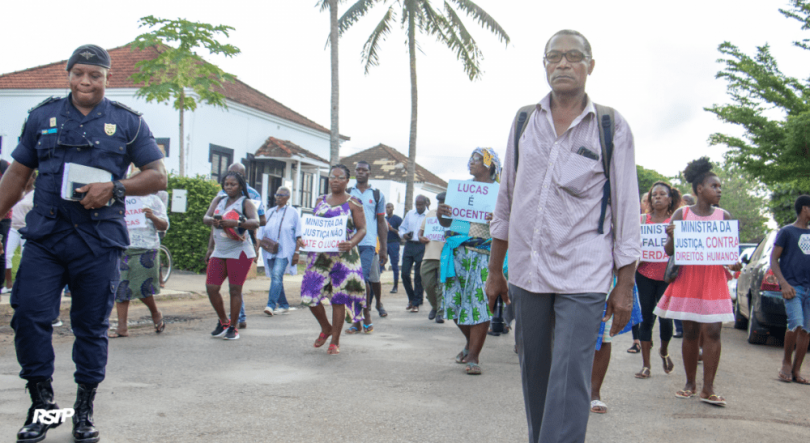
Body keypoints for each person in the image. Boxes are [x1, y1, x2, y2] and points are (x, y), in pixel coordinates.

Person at [3, 44, 167, 443]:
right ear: (68, 75)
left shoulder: (128, 123)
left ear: (108, 79)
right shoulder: (42, 116)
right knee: (29, 316)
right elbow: (18, 174)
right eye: (79, 73)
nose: (86, 81)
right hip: (46, 236)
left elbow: (157, 175)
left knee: (90, 328)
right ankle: (41, 406)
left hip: (99, 240)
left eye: (95, 75)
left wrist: (114, 187)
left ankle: (83, 409)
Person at [487, 30, 640, 442]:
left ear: (591, 65)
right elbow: (507, 200)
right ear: (544, 64)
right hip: (527, 271)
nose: (563, 64)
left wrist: (624, 285)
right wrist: (494, 271)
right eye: (554, 57)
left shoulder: (610, 125)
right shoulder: (524, 120)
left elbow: (627, 209)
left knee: (571, 374)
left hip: (583, 271)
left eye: (574, 56)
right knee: (534, 370)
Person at [654, 157, 742, 406]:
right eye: (715, 186)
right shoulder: (682, 214)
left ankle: (709, 388)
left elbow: (729, 256)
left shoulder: (724, 216)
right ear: (700, 188)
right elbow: (669, 251)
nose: (719, 191)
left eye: (720, 187)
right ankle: (690, 383)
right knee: (691, 332)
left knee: (713, 331)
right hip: (688, 279)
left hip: (713, 280)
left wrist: (734, 264)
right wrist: (672, 236)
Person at [438, 148, 503, 374]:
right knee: (454, 303)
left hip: (485, 256)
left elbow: (511, 225)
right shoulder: (460, 189)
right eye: (470, 159)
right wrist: (441, 213)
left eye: (476, 160)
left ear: (489, 165)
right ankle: (469, 342)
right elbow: (447, 224)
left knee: (480, 305)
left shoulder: (500, 192)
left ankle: (474, 356)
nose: (471, 163)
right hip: (457, 252)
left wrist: (499, 219)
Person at [300, 164, 367, 355]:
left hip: (344, 256)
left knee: (339, 299)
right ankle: (326, 327)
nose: (335, 180)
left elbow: (362, 229)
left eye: (340, 177)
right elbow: (313, 226)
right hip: (320, 256)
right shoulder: (320, 201)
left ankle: (335, 341)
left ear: (347, 181)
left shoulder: (354, 202)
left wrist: (351, 242)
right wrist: (304, 239)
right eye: (332, 177)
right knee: (309, 294)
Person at [206, 163, 266, 329]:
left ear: (241, 181)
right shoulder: (219, 198)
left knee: (235, 288)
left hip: (240, 245)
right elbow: (210, 220)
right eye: (227, 182)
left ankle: (236, 322)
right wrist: (210, 246)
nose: (229, 185)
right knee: (211, 287)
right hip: (220, 248)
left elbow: (259, 221)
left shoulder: (251, 197)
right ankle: (224, 320)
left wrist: (238, 222)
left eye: (234, 180)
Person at [634, 181, 681, 379]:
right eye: (654, 195)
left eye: (662, 194)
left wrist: (675, 236)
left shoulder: (676, 222)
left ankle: (664, 350)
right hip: (644, 274)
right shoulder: (642, 221)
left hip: (667, 277)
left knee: (665, 319)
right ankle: (646, 365)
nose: (658, 197)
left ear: (670, 198)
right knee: (646, 318)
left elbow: (685, 249)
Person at [108, 193, 170, 338]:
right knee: (121, 287)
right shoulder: (121, 199)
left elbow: (164, 225)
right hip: (122, 246)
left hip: (146, 248)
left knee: (142, 287)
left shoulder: (154, 200)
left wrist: (152, 217)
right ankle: (122, 327)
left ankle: (155, 312)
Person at [771, 195, 810, 384]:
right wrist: (783, 283)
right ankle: (786, 362)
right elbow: (773, 259)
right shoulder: (787, 232)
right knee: (795, 323)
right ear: (805, 209)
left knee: (807, 330)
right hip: (793, 287)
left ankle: (797, 369)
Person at [347, 160, 387, 333]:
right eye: (358, 170)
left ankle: (366, 315)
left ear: (369, 173)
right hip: (348, 243)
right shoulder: (348, 192)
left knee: (362, 278)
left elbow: (380, 221)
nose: (360, 172)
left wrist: (383, 247)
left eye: (364, 170)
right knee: (352, 280)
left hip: (368, 242)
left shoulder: (377, 195)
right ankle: (357, 320)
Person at [259, 186, 303, 316]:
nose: (278, 197)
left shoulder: (293, 213)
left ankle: (270, 305)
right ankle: (284, 305)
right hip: (270, 250)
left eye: (281, 195)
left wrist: (296, 253)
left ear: (288, 197)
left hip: (285, 250)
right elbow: (261, 231)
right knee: (275, 277)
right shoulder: (270, 212)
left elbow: (299, 235)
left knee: (277, 275)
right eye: (276, 194)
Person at [2, 172, 35, 297]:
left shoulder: (35, 194)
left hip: (27, 228)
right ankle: (9, 284)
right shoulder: (16, 191)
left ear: (33, 179)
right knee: (7, 254)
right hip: (12, 227)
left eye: (29, 177)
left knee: (25, 257)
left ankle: (24, 285)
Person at [419, 192, 446, 324]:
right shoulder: (430, 214)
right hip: (429, 255)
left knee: (442, 286)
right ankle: (435, 307)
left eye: (443, 201)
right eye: (439, 202)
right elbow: (421, 231)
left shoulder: (454, 215)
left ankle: (440, 313)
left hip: (445, 256)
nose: (441, 204)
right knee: (428, 284)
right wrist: (420, 238)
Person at [399, 195, 429, 312]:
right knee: (405, 273)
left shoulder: (429, 215)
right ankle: (411, 298)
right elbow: (402, 228)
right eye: (417, 204)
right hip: (409, 245)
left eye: (421, 204)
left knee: (418, 276)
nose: (418, 207)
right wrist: (403, 235)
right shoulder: (410, 214)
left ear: (426, 203)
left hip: (422, 246)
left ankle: (416, 302)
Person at [672, 195, 695, 340]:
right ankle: (680, 328)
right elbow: (668, 250)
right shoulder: (678, 216)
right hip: (684, 271)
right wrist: (672, 236)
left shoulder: (720, 215)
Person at [385, 203, 403, 295]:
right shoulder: (383, 219)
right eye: (386, 207)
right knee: (380, 264)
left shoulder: (398, 219)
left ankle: (395, 286)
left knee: (394, 265)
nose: (388, 209)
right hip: (384, 243)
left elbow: (402, 232)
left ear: (393, 208)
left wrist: (392, 229)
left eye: (389, 207)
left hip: (394, 243)